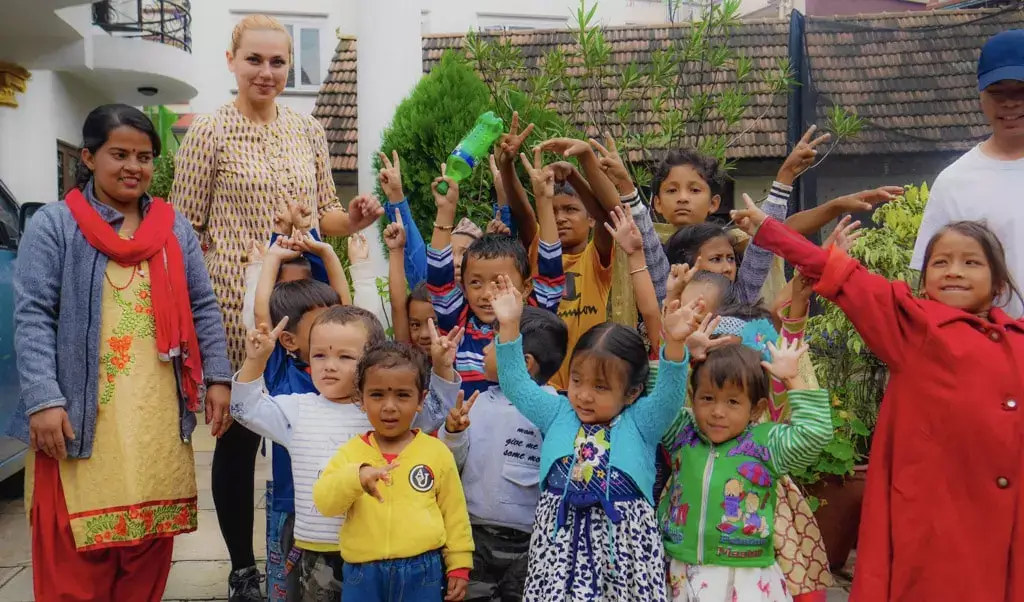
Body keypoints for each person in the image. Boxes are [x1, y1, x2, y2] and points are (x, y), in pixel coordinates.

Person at [170, 14, 383, 599]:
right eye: (255, 60)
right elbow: (183, 233)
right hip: (235, 308)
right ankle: (243, 566)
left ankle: (314, 550)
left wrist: (354, 219)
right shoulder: (209, 132)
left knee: (316, 426)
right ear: (232, 61)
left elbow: (324, 214)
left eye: (278, 62)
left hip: (303, 305)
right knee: (237, 434)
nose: (267, 72)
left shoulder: (307, 130)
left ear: (289, 66)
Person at [732, 194, 1024, 601]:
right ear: (923, 281)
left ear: (998, 283)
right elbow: (841, 273)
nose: (954, 271)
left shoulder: (1018, 338)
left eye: (971, 262)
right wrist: (769, 230)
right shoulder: (912, 325)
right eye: (941, 262)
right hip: (936, 522)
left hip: (1009, 521)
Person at [12, 104, 232, 601]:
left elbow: (202, 304)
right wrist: (44, 398)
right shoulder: (55, 225)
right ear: (88, 157)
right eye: (120, 154)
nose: (134, 166)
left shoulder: (173, 229)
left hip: (155, 415)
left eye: (145, 156)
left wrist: (218, 376)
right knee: (76, 549)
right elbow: (32, 315)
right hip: (81, 414)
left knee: (146, 545)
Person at [492, 273, 701, 602]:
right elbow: (516, 383)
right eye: (577, 380)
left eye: (600, 387)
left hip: (624, 553)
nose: (584, 395)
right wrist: (508, 325)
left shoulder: (641, 421)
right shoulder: (558, 412)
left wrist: (674, 345)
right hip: (558, 547)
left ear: (631, 392)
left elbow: (668, 396)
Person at [659, 337, 833, 602]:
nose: (717, 411)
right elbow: (655, 402)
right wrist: (677, 349)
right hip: (683, 570)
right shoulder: (681, 432)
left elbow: (814, 434)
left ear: (757, 409)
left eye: (732, 402)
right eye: (707, 398)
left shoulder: (766, 444)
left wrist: (792, 379)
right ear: (692, 399)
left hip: (747, 576)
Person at [312, 341, 475, 602]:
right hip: (363, 573)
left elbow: (454, 513)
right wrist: (356, 477)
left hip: (423, 571)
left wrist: (459, 563)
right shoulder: (350, 453)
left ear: (421, 400)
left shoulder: (436, 452)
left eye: (402, 395)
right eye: (377, 395)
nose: (389, 406)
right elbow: (325, 502)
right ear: (361, 399)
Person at [438, 306, 568, 602]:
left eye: (494, 341)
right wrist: (454, 433)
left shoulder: (554, 410)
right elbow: (451, 465)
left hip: (531, 543)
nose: (484, 348)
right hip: (474, 538)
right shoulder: (478, 402)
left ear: (524, 362)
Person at [426, 160, 564, 397]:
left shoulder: (532, 323)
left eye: (499, 282)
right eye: (475, 283)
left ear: (526, 288)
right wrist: (446, 210)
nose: (487, 293)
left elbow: (550, 271)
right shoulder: (458, 326)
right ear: (463, 287)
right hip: (467, 432)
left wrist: (544, 201)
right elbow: (439, 280)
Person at [912, 29, 1024, 316]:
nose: (1010, 103)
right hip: (988, 348)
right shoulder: (955, 182)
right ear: (981, 98)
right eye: (997, 93)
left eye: (1021, 91)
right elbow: (932, 286)